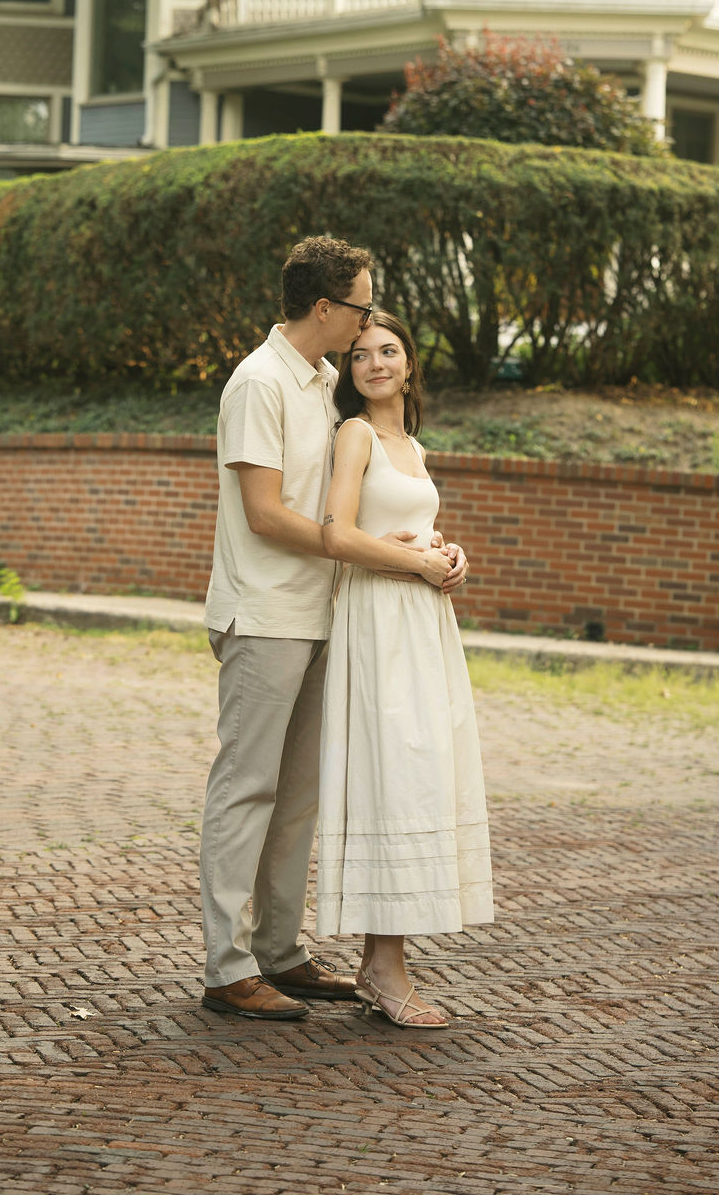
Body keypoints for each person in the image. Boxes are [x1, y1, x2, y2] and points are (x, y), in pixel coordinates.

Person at [199, 238, 467, 1021]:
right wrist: (376, 553)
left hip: (327, 612)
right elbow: (265, 514)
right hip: (267, 612)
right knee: (246, 786)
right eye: (359, 305)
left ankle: (279, 953)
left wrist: (415, 549)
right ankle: (227, 965)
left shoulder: (323, 380)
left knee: (300, 796)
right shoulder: (258, 383)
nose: (364, 323)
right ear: (327, 309)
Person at [317, 310, 494, 1029]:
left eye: (388, 351)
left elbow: (411, 530)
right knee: (392, 777)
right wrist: (415, 561)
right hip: (377, 622)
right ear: (351, 373)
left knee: (419, 778)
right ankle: (384, 969)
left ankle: (379, 963)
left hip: (423, 625)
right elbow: (337, 535)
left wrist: (449, 558)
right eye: (361, 355)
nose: (376, 363)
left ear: (410, 365)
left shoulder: (411, 445)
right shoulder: (355, 434)